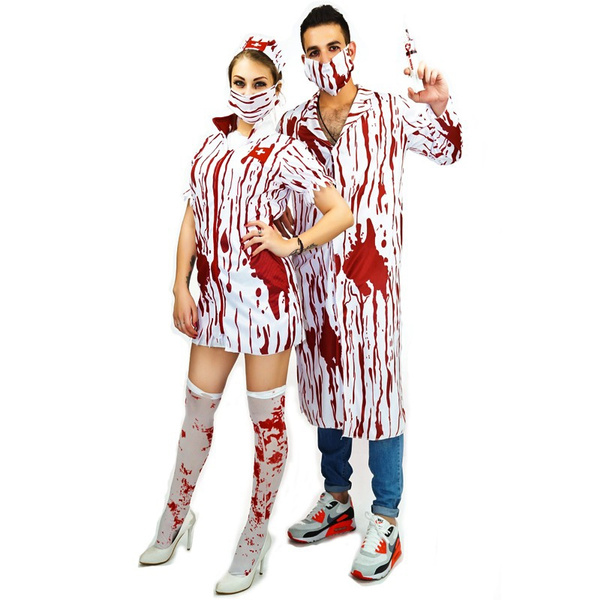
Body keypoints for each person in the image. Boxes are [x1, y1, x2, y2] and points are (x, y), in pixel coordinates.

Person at [138, 35, 353, 595]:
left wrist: (292, 244)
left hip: (266, 306)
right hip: (212, 302)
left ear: (276, 89)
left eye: (260, 84)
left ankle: (254, 539)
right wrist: (179, 286)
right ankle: (176, 515)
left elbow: (340, 212)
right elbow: (191, 218)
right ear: (228, 85)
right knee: (196, 413)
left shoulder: (284, 151)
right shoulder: (208, 147)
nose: (249, 92)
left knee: (267, 425)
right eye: (240, 82)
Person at [278, 5, 463, 581]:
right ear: (304, 60)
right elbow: (277, 199)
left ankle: (386, 517)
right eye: (313, 52)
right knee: (323, 387)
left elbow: (449, 150)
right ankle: (337, 498)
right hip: (313, 281)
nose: (325, 59)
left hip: (372, 282)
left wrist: (439, 106)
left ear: (351, 50)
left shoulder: (385, 110)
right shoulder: (292, 125)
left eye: (333, 48)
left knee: (380, 394)